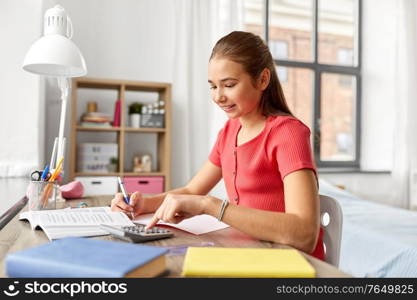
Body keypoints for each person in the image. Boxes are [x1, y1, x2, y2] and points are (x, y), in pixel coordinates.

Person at [111, 31, 324, 260]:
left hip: (290, 263)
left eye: (229, 85)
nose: (218, 97)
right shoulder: (229, 132)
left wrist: (210, 206)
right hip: (248, 254)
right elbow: (192, 191)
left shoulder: (288, 133)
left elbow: (304, 233)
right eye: (213, 86)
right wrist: (144, 204)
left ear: (263, 79)